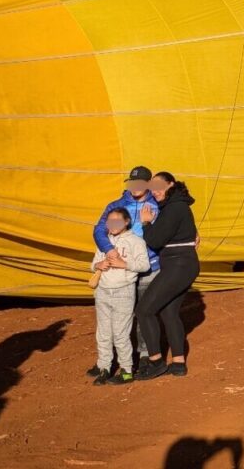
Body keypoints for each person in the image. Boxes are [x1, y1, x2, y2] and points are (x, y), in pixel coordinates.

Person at [93, 165, 160, 372]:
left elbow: (173, 224)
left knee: (144, 312)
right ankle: (108, 361)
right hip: (119, 271)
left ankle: (144, 355)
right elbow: (99, 230)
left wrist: (192, 233)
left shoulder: (158, 204)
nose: (136, 186)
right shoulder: (116, 206)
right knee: (116, 318)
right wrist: (109, 249)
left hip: (149, 266)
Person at [135, 172, 200, 380]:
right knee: (169, 313)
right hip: (181, 264)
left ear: (171, 184)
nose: (155, 191)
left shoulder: (174, 207)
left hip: (178, 265)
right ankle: (178, 363)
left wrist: (146, 223)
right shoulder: (176, 206)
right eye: (152, 187)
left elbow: (155, 240)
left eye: (159, 185)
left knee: (144, 310)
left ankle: (156, 362)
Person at [87, 208, 150, 386]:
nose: (112, 225)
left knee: (121, 334)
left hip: (123, 291)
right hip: (103, 291)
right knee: (103, 333)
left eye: (117, 221)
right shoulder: (104, 241)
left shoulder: (136, 242)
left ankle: (126, 371)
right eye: (109, 222)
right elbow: (93, 263)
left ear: (126, 222)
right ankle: (104, 367)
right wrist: (98, 265)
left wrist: (124, 264)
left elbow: (144, 265)